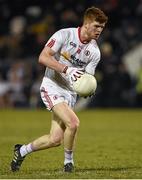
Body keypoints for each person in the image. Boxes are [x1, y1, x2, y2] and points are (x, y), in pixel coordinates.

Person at [10, 6, 108, 172]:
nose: (99, 30)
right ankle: (68, 163)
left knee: (55, 139)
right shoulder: (64, 34)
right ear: (86, 24)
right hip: (52, 86)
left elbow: (87, 78)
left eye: (102, 28)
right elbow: (42, 57)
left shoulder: (94, 52)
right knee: (74, 123)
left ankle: (21, 151)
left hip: (69, 93)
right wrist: (66, 69)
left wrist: (87, 88)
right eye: (96, 26)